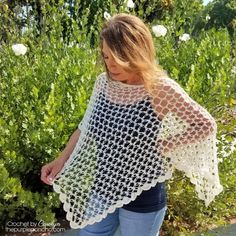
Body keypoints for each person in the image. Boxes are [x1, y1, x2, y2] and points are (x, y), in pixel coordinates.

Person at [41, 13, 222, 236]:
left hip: (143, 198)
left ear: (136, 53)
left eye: (117, 57)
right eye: (106, 57)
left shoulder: (159, 89)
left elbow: (205, 124)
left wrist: (165, 145)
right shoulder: (104, 84)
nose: (111, 65)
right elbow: (85, 127)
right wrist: (60, 160)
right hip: (102, 190)